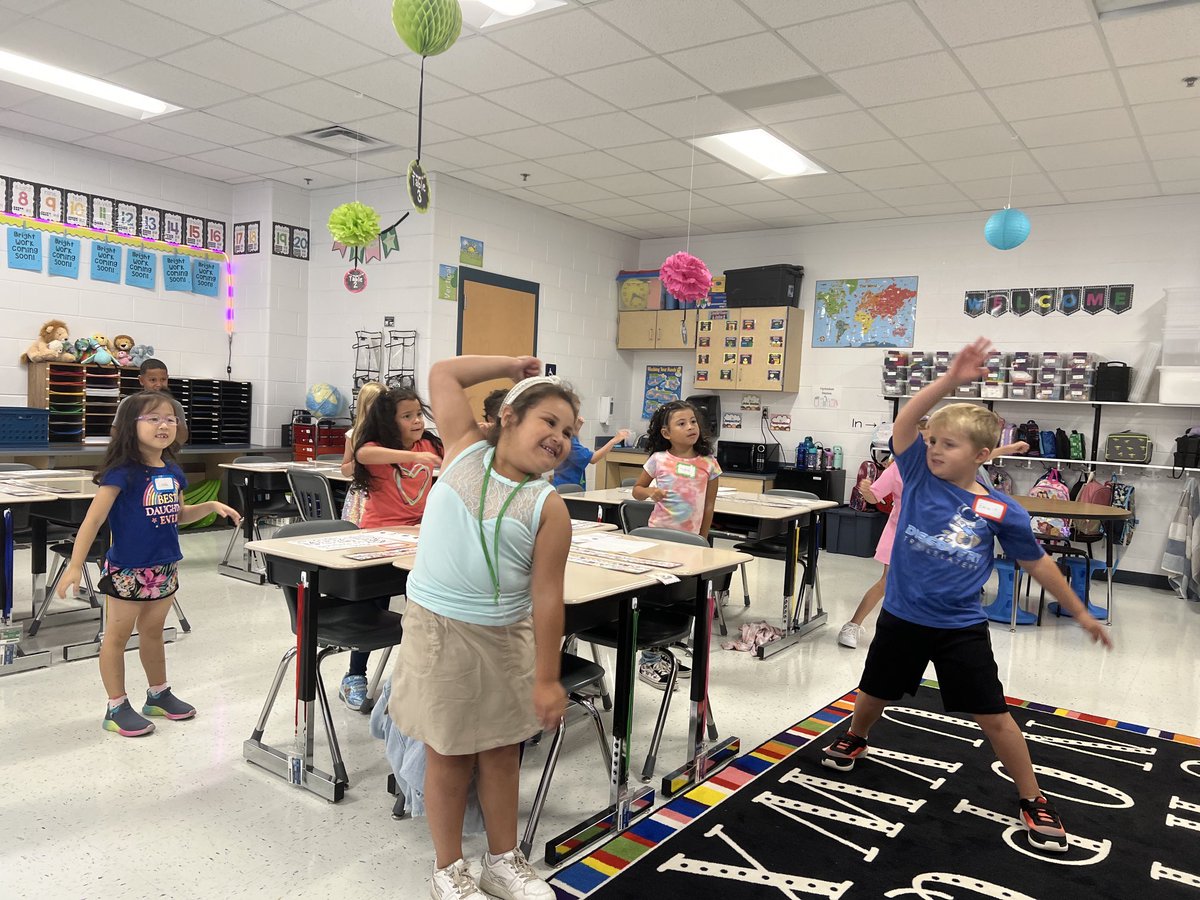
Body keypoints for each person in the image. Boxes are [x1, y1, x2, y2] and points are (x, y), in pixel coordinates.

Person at [822, 337, 1112, 854]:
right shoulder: (916, 475)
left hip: (959, 628)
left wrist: (1079, 610)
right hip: (902, 616)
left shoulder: (1002, 510)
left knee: (995, 715)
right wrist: (951, 381)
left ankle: (1033, 797)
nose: (933, 448)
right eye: (932, 441)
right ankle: (858, 736)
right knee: (875, 689)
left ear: (981, 456)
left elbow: (1036, 562)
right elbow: (905, 423)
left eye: (947, 444)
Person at [388, 355, 576, 900]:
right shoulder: (466, 452)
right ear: (509, 416)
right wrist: (513, 366)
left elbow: (546, 599)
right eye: (549, 421)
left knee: (499, 753)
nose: (559, 436)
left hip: (503, 640)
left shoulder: (549, 506)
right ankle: (449, 868)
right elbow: (444, 375)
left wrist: (546, 678)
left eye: (568, 431)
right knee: (447, 754)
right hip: (439, 631)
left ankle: (502, 861)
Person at [58, 391, 241, 737]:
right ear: (131, 425)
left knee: (154, 632)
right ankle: (116, 706)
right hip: (128, 569)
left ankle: (158, 694)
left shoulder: (172, 469)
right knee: (116, 637)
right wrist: (74, 565)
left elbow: (179, 515)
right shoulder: (121, 473)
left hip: (165, 566)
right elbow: (93, 522)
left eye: (170, 418)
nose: (164, 425)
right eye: (153, 418)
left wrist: (212, 506)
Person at [837, 422, 1028, 649]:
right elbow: (875, 497)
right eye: (924, 440)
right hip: (899, 533)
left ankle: (916, 632)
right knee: (888, 583)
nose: (929, 446)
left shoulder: (943, 465)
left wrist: (1010, 448)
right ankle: (852, 625)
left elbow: (976, 457)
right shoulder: (898, 468)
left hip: (932, 537)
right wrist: (867, 492)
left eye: (933, 440)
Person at [338, 386, 444, 711]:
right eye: (407, 416)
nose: (416, 421)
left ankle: (416, 676)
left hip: (418, 538)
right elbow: (362, 456)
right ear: (389, 421)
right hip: (379, 538)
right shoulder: (377, 447)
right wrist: (412, 457)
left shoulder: (430, 443)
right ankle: (355, 675)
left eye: (418, 414)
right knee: (374, 607)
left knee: (424, 607)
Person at [631, 399, 721, 689]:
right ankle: (648, 660)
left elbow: (709, 506)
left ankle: (665, 653)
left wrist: (703, 540)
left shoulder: (709, 464)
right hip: (659, 540)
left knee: (681, 599)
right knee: (656, 598)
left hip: (690, 544)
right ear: (667, 433)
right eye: (681, 423)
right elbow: (636, 490)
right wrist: (651, 493)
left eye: (693, 421)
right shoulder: (658, 459)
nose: (690, 427)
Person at [339, 381, 386, 525]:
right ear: (364, 406)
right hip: (362, 494)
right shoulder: (354, 436)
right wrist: (359, 462)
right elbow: (345, 471)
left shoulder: (392, 435)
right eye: (375, 403)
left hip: (386, 492)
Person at [552, 416, 630, 489]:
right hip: (568, 488)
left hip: (567, 485)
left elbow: (573, 436)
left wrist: (576, 428)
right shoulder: (570, 443)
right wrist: (614, 440)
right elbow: (593, 459)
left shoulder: (565, 438)